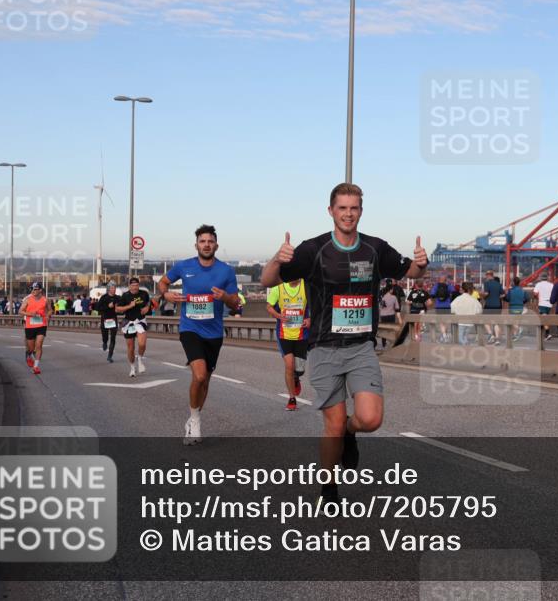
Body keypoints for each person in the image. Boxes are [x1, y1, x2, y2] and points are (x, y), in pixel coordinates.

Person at [260, 183, 427, 505]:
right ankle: (329, 487)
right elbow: (268, 280)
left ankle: (353, 433)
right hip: (323, 347)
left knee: (370, 419)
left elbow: (413, 272)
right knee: (333, 425)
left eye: (354, 208)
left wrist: (421, 262)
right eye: (342, 208)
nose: (348, 214)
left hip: (361, 347)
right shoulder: (313, 249)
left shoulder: (376, 248)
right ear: (331, 211)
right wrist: (275, 259)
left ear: (361, 211)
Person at [159, 224, 240, 444]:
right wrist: (166, 295)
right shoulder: (184, 266)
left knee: (205, 381)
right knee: (200, 375)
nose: (206, 245)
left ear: (216, 245)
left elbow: (236, 303)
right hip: (190, 328)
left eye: (210, 241)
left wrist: (225, 297)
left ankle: (193, 417)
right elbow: (163, 282)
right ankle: (195, 421)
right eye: (202, 241)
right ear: (196, 245)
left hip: (214, 332)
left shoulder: (226, 271)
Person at [266, 279, 310, 411]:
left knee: (299, 369)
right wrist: (279, 316)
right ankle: (292, 398)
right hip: (284, 334)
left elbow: (318, 304)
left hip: (302, 334)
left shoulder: (306, 286)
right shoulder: (278, 288)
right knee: (289, 365)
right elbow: (268, 306)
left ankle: (296, 377)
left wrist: (310, 319)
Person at [115, 277, 152, 378]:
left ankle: (139, 358)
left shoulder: (144, 294)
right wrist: (129, 306)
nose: (135, 287)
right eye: (133, 285)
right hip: (129, 323)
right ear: (129, 286)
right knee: (131, 348)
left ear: (138, 285)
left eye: (136, 285)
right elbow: (117, 309)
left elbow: (149, 302)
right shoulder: (125, 296)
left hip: (140, 321)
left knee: (142, 343)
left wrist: (147, 307)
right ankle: (132, 367)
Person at [18, 282, 51, 375]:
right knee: (32, 349)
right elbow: (20, 311)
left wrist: (48, 315)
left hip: (41, 324)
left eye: (35, 289)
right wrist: (30, 314)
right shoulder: (27, 300)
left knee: (39, 345)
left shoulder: (46, 300)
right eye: (32, 289)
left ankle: (36, 366)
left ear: (40, 290)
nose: (33, 291)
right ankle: (28, 354)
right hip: (30, 326)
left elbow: (50, 309)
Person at [96, 282, 119, 363]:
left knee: (113, 338)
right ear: (109, 289)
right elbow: (98, 308)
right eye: (112, 288)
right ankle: (104, 342)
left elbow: (121, 307)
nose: (114, 289)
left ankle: (110, 356)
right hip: (105, 319)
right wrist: (108, 306)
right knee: (105, 337)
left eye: (115, 288)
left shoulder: (117, 298)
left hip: (113, 319)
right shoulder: (104, 297)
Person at [482, 270, 504, 344]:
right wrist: (497, 298)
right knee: (496, 322)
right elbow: (503, 295)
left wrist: (482, 295)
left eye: (486, 275)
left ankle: (491, 335)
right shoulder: (498, 284)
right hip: (497, 305)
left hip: (489, 305)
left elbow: (486, 293)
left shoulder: (486, 283)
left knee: (485, 321)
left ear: (488, 275)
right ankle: (497, 339)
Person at [503, 276, 528, 342]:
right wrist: (522, 302)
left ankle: (519, 329)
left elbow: (507, 299)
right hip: (520, 307)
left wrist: (504, 297)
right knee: (516, 322)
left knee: (512, 321)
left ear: (513, 282)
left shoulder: (511, 291)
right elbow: (527, 298)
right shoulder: (522, 291)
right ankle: (515, 336)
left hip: (513, 307)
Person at [430, 276, 453, 343]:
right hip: (447, 305)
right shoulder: (448, 286)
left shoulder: (436, 286)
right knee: (446, 321)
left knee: (441, 322)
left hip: (438, 306)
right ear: (446, 280)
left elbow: (432, 294)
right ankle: (445, 335)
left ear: (439, 280)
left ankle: (444, 335)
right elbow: (454, 292)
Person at [378, 281, 401, 348]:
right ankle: (391, 343)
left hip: (383, 315)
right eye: (392, 289)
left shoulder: (382, 298)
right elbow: (397, 307)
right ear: (390, 290)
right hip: (391, 315)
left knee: (384, 329)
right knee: (391, 329)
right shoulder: (394, 297)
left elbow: (380, 307)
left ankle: (383, 343)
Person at [532, 276, 554, 340]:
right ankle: (542, 334)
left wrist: (536, 298)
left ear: (541, 278)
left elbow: (535, 293)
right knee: (544, 318)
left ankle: (548, 334)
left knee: (544, 318)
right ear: (547, 278)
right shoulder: (551, 285)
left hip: (542, 303)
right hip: (549, 304)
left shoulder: (539, 284)